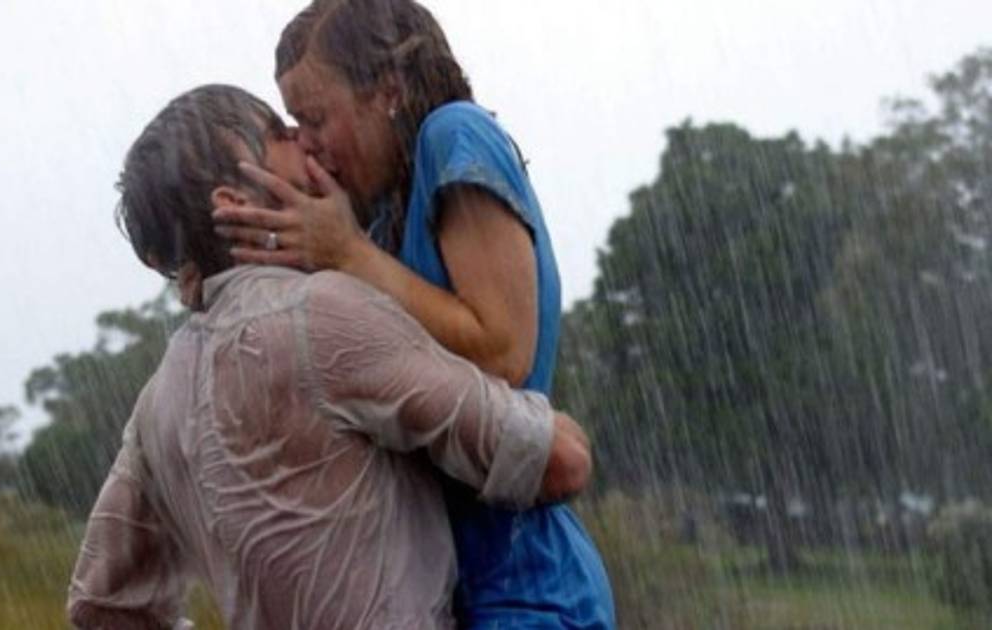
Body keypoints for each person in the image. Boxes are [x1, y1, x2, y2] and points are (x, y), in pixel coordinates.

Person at [66, 84, 595, 629]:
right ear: (235, 204)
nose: (302, 137)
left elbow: (99, 605)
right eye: (277, 133)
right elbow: (557, 462)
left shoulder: (158, 402)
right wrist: (559, 430)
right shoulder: (323, 314)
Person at [210, 1, 616, 627]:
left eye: (314, 118)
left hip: (525, 590)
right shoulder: (379, 217)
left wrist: (348, 254)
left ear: (389, 92)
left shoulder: (454, 135)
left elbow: (504, 352)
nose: (308, 143)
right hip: (445, 593)